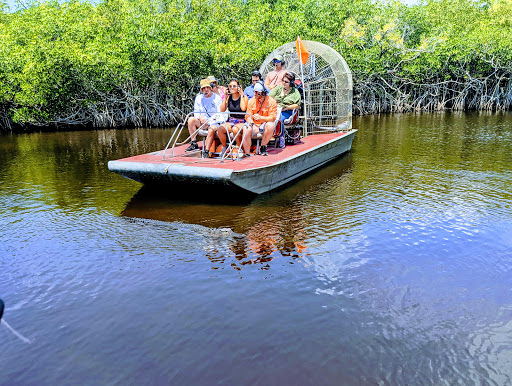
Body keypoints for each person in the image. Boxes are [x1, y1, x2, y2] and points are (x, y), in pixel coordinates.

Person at [186, 78, 223, 152]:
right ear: (201, 89)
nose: (206, 90)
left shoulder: (217, 98)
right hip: (202, 123)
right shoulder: (199, 98)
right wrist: (200, 117)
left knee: (211, 129)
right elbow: (196, 112)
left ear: (210, 88)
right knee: (191, 120)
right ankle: (194, 143)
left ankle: (206, 151)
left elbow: (219, 115)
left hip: (214, 123)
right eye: (204, 88)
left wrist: (208, 122)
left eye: (207, 87)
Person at [242, 81, 277, 156]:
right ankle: (247, 153)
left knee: (271, 125)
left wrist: (261, 118)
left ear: (263, 92)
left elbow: (272, 118)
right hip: (254, 124)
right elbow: (248, 116)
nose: (255, 94)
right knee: (246, 129)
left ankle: (263, 146)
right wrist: (252, 123)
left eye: (257, 92)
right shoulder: (251, 101)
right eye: (254, 92)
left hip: (264, 124)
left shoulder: (271, 101)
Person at [269, 71, 301, 148]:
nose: (284, 83)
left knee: (280, 118)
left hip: (287, 111)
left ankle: (281, 137)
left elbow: (297, 105)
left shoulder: (295, 92)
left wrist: (287, 107)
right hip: (276, 109)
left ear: (291, 83)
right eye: (283, 81)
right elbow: (269, 97)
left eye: (286, 82)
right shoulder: (278, 89)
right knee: (270, 117)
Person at [217, 78, 248, 156]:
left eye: (234, 86)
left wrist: (241, 95)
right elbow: (222, 110)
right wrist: (226, 98)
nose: (232, 88)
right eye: (230, 86)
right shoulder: (229, 98)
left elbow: (243, 108)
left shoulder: (244, 97)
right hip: (231, 121)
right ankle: (224, 147)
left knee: (235, 129)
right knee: (220, 129)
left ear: (239, 87)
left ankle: (240, 147)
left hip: (242, 121)